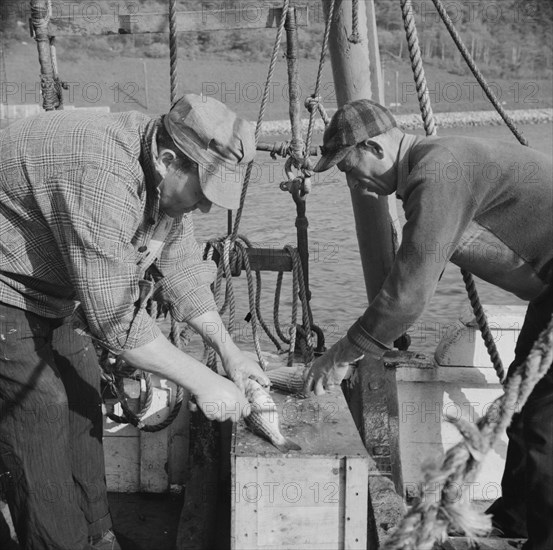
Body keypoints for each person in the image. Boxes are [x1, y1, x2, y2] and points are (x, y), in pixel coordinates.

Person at [0, 93, 270, 550]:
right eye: (202, 192)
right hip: (5, 289)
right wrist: (205, 382)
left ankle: (97, 535)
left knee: (82, 392)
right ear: (168, 160)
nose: (205, 208)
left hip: (51, 288)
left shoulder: (159, 164)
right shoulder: (102, 175)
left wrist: (230, 353)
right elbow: (115, 322)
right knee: (40, 412)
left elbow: (181, 267)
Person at [303, 99, 553, 550]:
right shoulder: (435, 164)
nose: (349, 179)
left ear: (375, 146)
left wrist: (343, 353)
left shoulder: (437, 170)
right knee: (524, 405)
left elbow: (409, 294)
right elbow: (418, 271)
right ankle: (514, 523)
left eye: (346, 165)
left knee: (542, 423)